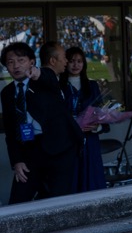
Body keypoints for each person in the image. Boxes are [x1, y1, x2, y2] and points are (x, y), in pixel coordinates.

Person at [1, 42, 81, 203]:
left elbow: (48, 77)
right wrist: (17, 161)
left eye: (21, 60)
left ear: (31, 62)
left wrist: (37, 73)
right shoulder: (7, 92)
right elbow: (10, 131)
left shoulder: (45, 78)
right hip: (30, 150)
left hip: (60, 149)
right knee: (18, 201)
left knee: (57, 202)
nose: (16, 66)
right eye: (10, 62)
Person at [60, 46, 107, 192]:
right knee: (72, 181)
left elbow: (102, 115)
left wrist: (96, 127)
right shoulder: (59, 86)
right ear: (65, 63)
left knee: (91, 180)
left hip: (90, 141)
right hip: (69, 142)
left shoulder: (92, 86)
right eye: (72, 61)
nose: (75, 65)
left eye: (79, 61)